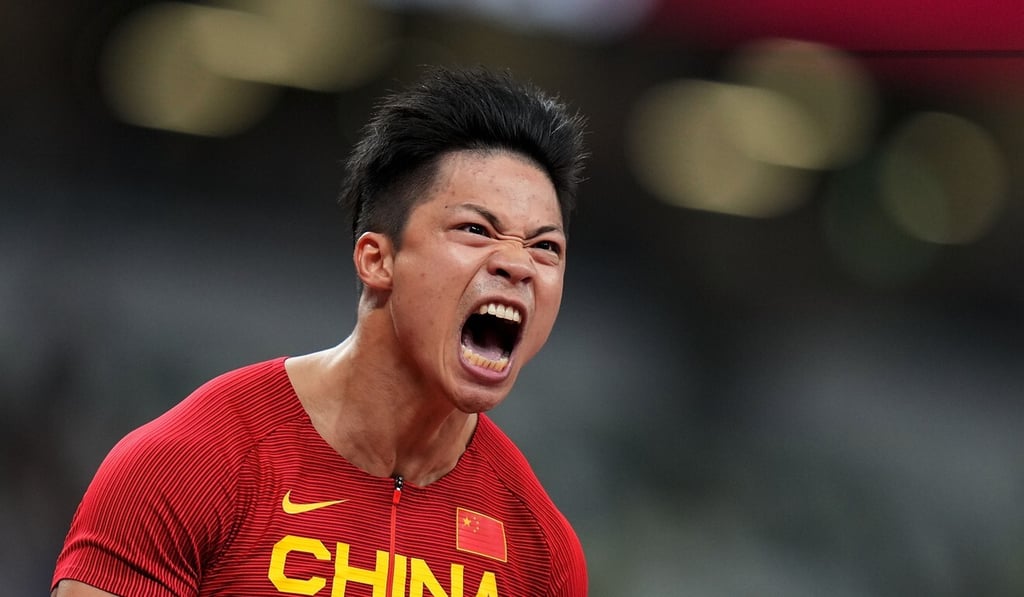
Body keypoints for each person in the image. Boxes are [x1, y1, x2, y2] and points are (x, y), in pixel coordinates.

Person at [51, 65, 589, 597]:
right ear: (377, 260)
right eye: (476, 229)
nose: (518, 265)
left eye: (546, 247)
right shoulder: (190, 464)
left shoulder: (541, 552)